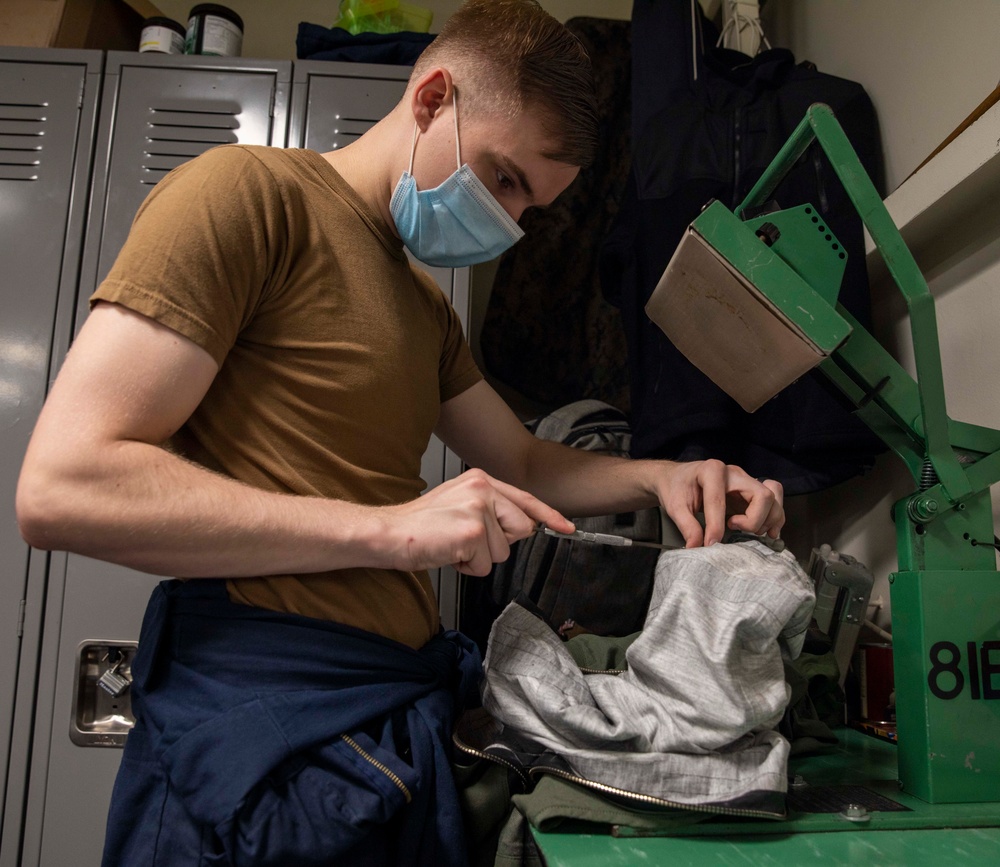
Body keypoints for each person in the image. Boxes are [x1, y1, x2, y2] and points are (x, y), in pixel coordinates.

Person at [16, 0, 784, 863]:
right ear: (431, 99)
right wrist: (391, 530)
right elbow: (64, 485)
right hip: (263, 722)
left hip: (384, 727)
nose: (509, 222)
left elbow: (525, 458)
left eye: (530, 205)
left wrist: (660, 477)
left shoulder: (424, 310)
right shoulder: (247, 197)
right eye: (502, 178)